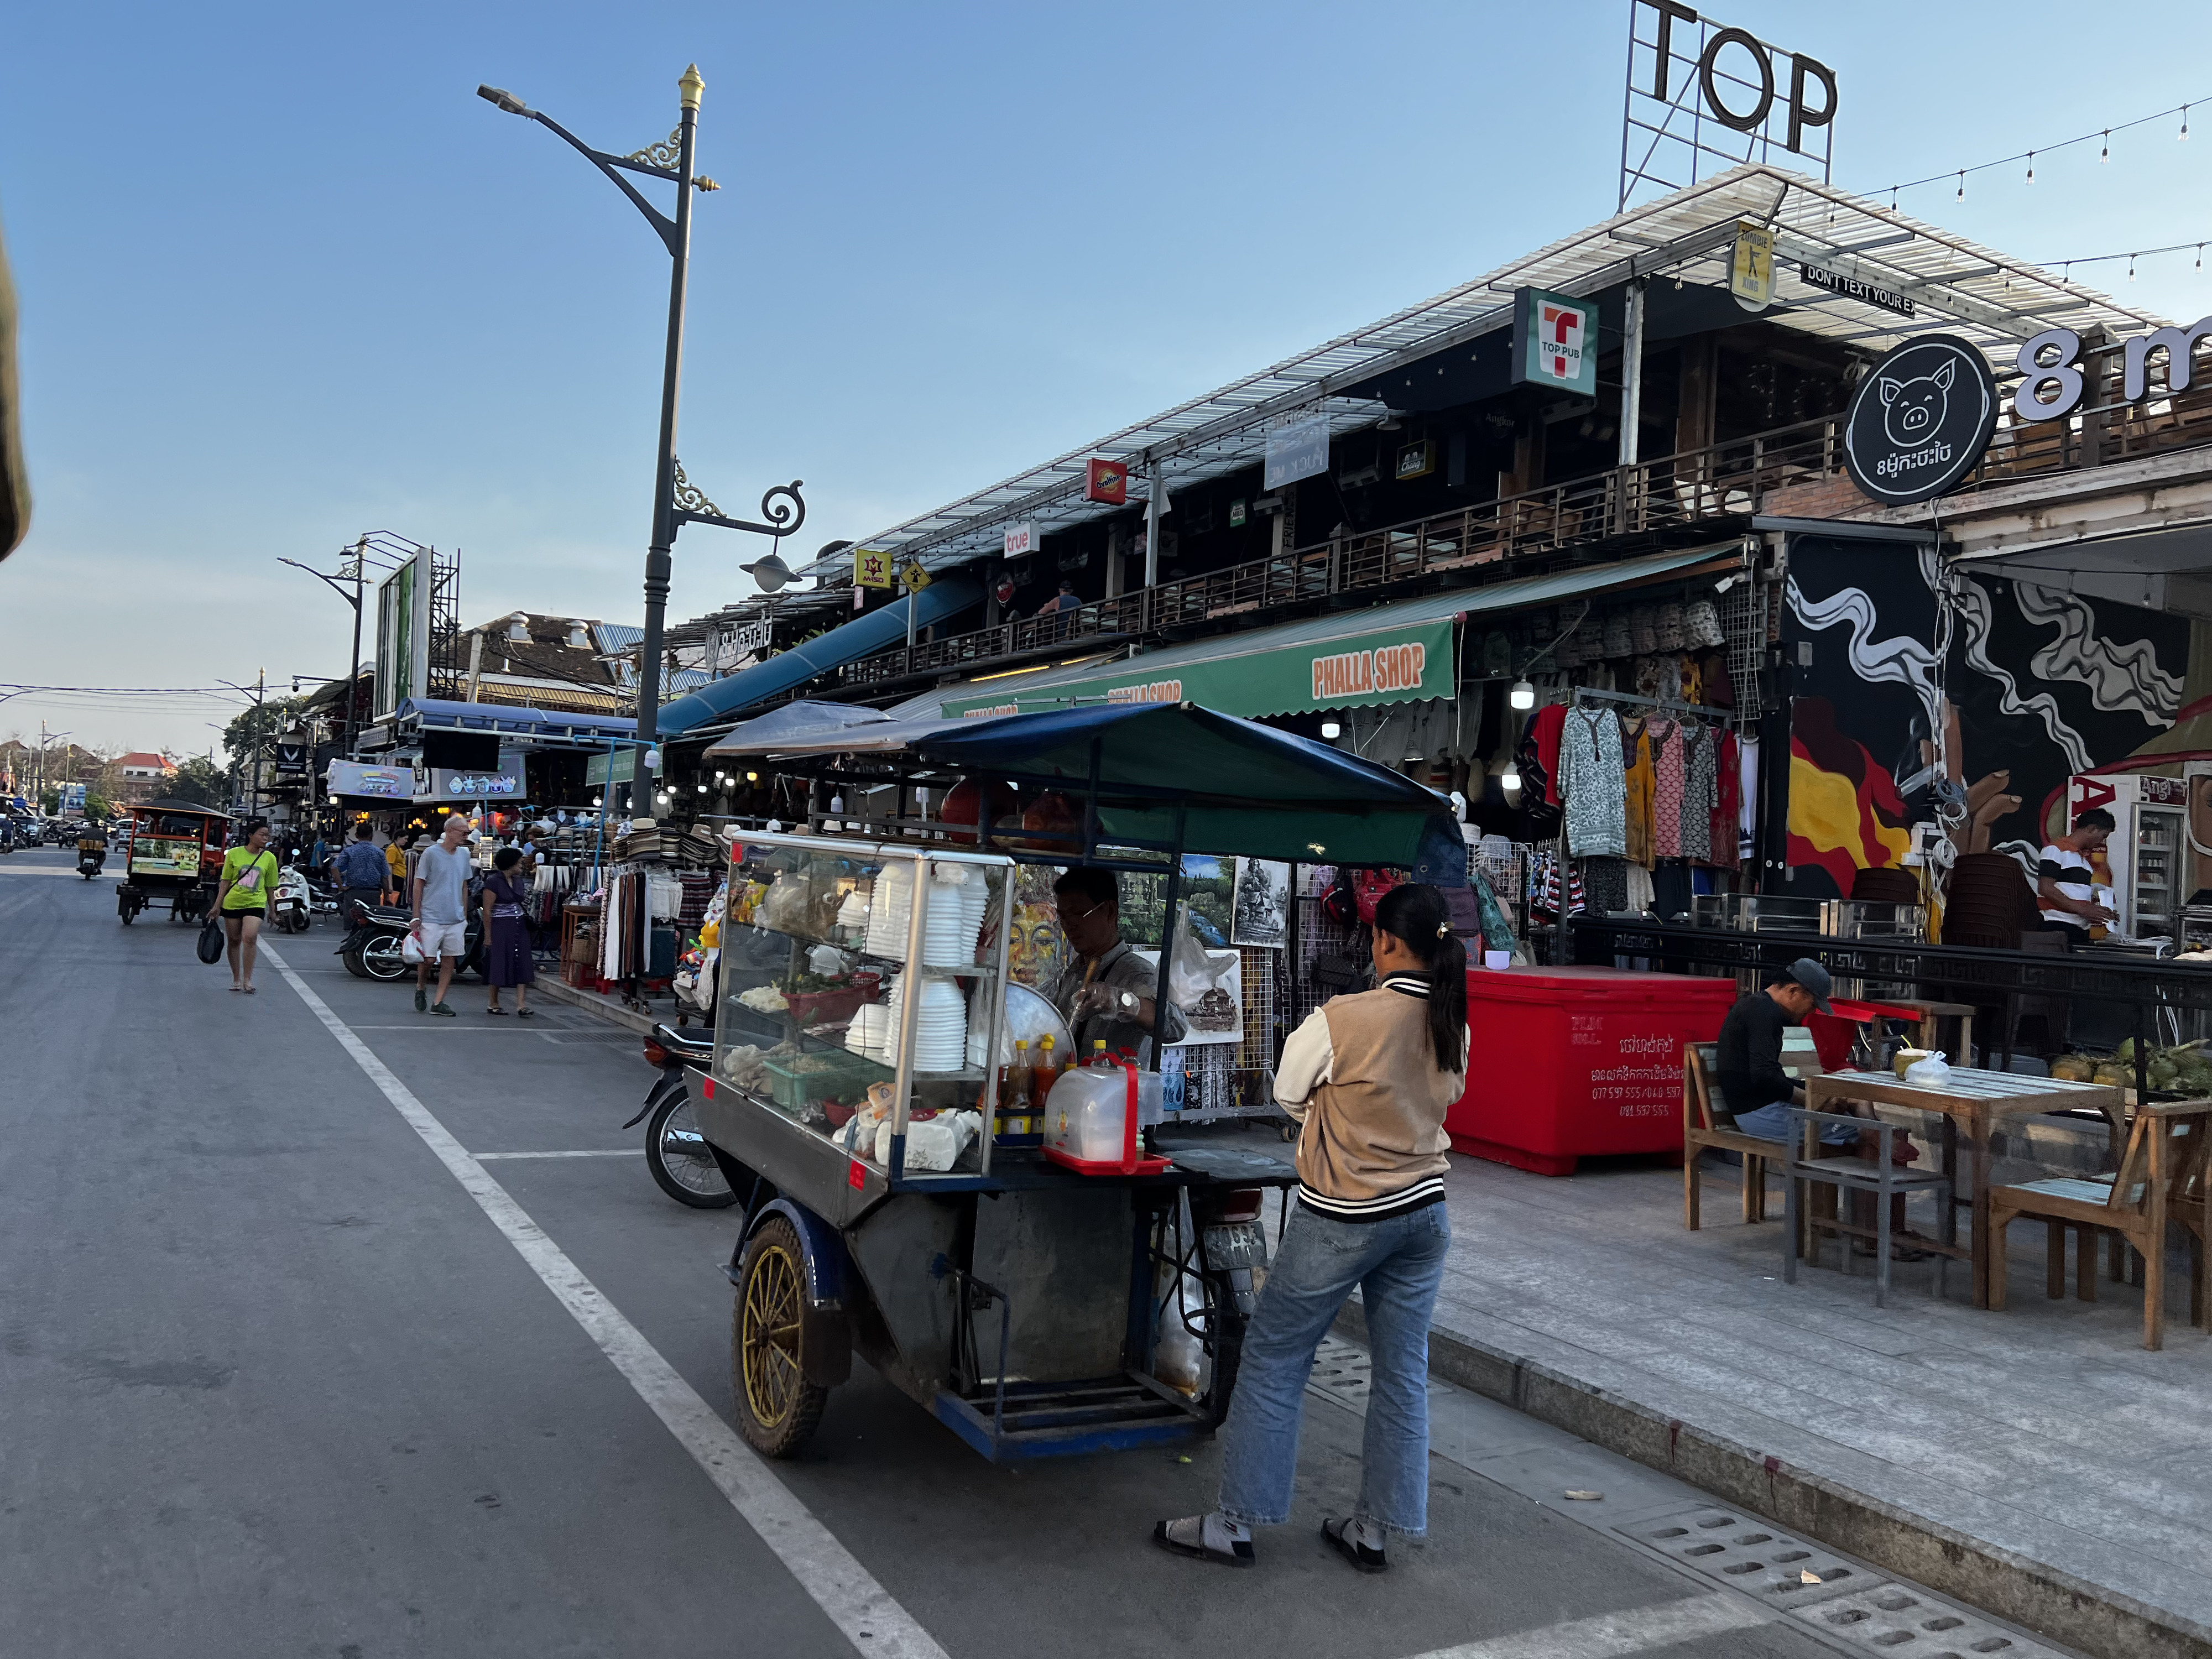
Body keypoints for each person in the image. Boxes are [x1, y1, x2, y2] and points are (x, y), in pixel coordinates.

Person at [1155, 883, 1467, 1573]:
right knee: (1402, 1374)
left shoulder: (1344, 1017)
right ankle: (1374, 1531)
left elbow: (1287, 1092)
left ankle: (1235, 1523)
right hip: (1425, 1212)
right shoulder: (1453, 1018)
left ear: (1384, 942)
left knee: (1274, 1357)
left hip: (1346, 1213)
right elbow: (1452, 1095)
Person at [1046, 867, 1186, 1060]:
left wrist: (1116, 1000)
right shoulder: (1075, 972)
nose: (1068, 925)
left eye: (1077, 914)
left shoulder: (1135, 973)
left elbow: (1176, 1026)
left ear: (1109, 911)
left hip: (1115, 1089)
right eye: (1063, 917)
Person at [410, 813, 474, 1017]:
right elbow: (419, 883)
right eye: (463, 832)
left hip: (455, 918)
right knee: (428, 959)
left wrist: (463, 914)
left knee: (450, 960)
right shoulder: (431, 853)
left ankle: (439, 1002)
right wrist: (416, 915)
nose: (466, 836)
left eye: (468, 832)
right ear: (449, 832)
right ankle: (421, 986)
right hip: (431, 915)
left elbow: (465, 884)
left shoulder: (464, 854)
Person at [211, 817, 280, 994]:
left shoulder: (270, 858)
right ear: (251, 836)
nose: (266, 838)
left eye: (268, 835)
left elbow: (270, 887)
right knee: (234, 940)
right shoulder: (234, 854)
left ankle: (248, 979)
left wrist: (273, 910)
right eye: (262, 835)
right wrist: (217, 906)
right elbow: (225, 882)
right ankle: (236, 979)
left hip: (255, 903)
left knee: (250, 937)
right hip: (233, 903)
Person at [2037, 807, 2116, 947]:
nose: (2102, 842)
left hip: (2079, 929)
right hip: (2057, 927)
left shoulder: (2085, 862)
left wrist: (2101, 914)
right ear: (2092, 829)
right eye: (2103, 836)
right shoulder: (2055, 850)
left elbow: (2077, 896)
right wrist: (2083, 910)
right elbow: (2045, 888)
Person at [479, 845, 536, 1017]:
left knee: (523, 961)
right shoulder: (493, 882)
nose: (522, 865)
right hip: (500, 925)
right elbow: (487, 911)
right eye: (519, 862)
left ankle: (521, 1004)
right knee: (498, 962)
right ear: (510, 863)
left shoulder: (518, 881)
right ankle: (493, 1002)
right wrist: (488, 935)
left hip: (518, 924)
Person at [332, 822, 392, 917]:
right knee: (371, 923)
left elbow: (334, 868)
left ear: (356, 835)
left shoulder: (349, 851)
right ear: (371, 836)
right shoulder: (379, 853)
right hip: (373, 893)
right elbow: (385, 876)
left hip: (353, 892)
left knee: (353, 921)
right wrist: (386, 897)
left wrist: (341, 886)